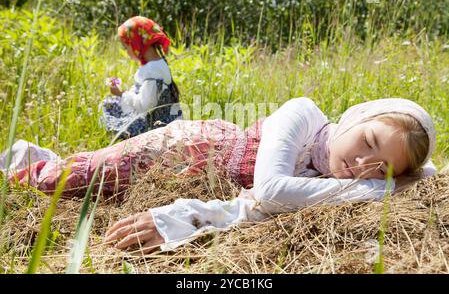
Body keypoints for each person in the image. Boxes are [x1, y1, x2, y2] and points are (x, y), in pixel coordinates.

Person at [3, 97, 437, 253]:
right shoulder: (303, 114)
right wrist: (373, 189)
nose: (362, 164)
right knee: (59, 182)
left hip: (203, 181)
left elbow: (255, 207)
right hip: (183, 149)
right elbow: (269, 191)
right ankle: (28, 156)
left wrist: (392, 179)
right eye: (368, 142)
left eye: (381, 168)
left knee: (93, 193)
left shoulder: (334, 181)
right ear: (355, 118)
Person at [100, 16, 183, 139]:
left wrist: (121, 93)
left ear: (136, 43)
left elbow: (145, 107)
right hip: (152, 118)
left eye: (126, 47)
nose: (127, 52)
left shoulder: (153, 70)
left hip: (156, 127)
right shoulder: (153, 65)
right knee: (110, 103)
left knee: (108, 107)